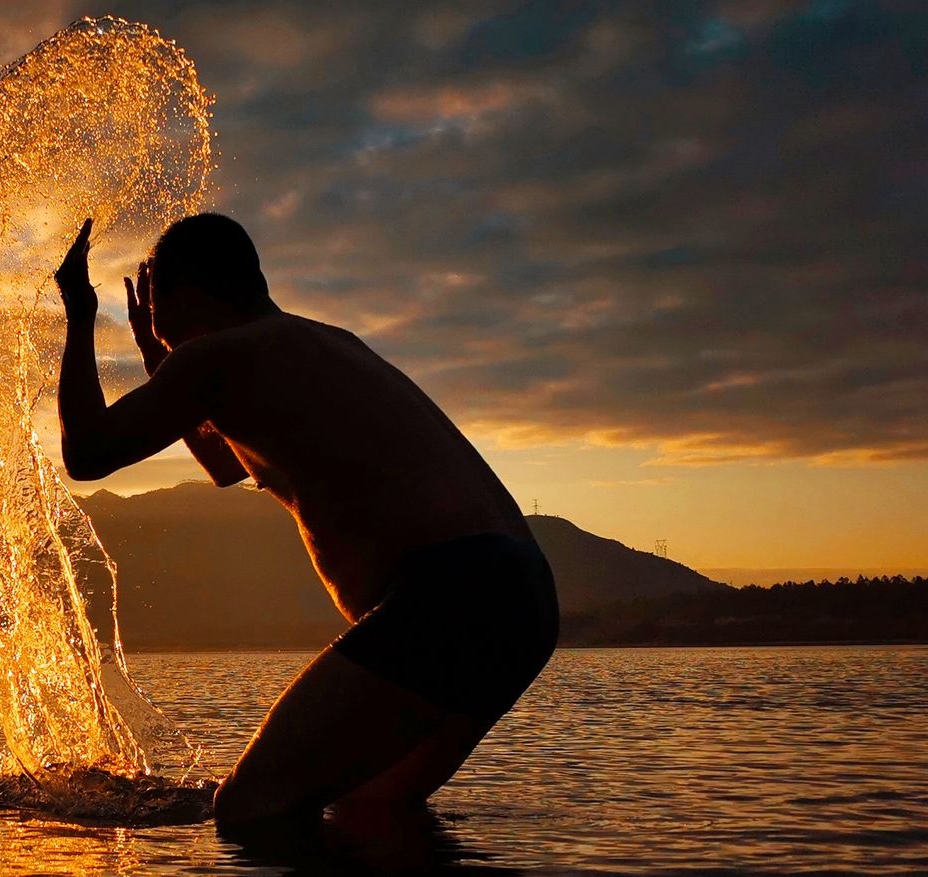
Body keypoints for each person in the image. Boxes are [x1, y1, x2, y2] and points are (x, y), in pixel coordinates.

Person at [53, 213, 557, 825]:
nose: (152, 323)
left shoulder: (220, 356)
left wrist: (81, 316)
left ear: (181, 296)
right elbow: (227, 465)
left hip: (451, 592)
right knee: (367, 810)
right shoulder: (315, 342)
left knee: (248, 808)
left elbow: (87, 454)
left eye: (152, 300)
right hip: (522, 594)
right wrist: (162, 362)